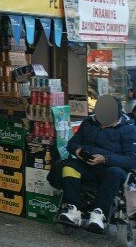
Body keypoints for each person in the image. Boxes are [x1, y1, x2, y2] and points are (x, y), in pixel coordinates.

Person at [57, 95, 136, 234]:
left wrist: (105, 159)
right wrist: (78, 151)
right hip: (87, 165)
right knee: (69, 167)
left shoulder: (128, 129)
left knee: (114, 172)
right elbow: (72, 143)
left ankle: (99, 213)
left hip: (112, 170)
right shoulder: (88, 123)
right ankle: (73, 209)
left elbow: (131, 159)